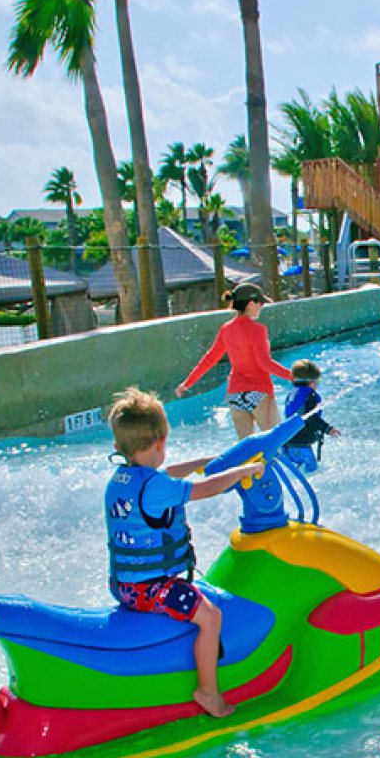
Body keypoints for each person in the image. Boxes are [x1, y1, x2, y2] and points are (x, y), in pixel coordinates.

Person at [105, 388, 265, 717]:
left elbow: (167, 475)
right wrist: (244, 472)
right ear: (161, 442)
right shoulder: (156, 487)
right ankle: (208, 692)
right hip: (149, 589)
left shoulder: (122, 478)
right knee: (211, 617)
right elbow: (204, 489)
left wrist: (205, 462)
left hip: (123, 585)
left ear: (118, 446)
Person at [176, 281, 293, 438]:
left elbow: (210, 358)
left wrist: (187, 383)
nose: (261, 307)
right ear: (251, 303)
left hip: (235, 395)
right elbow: (264, 363)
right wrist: (294, 376)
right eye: (260, 303)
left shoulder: (226, 329)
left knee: (246, 452)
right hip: (258, 391)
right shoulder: (258, 330)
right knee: (276, 440)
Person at [281, 359, 340, 473]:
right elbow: (311, 417)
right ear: (312, 382)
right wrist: (328, 429)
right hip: (301, 446)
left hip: (287, 444)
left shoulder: (292, 394)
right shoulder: (310, 395)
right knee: (312, 473)